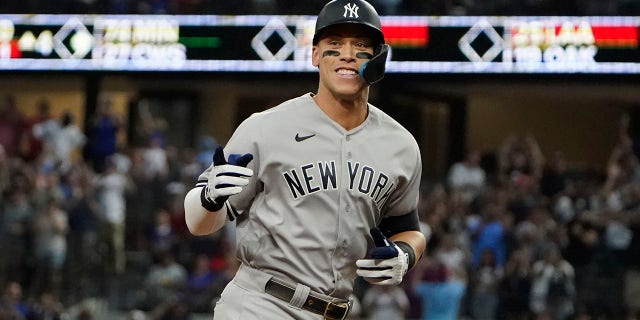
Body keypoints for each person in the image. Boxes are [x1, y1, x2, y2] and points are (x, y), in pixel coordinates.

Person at [183, 1, 426, 319]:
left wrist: (404, 255)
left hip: (336, 311)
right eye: (334, 44)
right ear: (315, 55)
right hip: (261, 304)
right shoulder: (266, 127)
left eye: (360, 45)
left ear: (379, 57)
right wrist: (207, 197)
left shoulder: (401, 145)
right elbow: (198, 223)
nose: (347, 54)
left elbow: (408, 228)